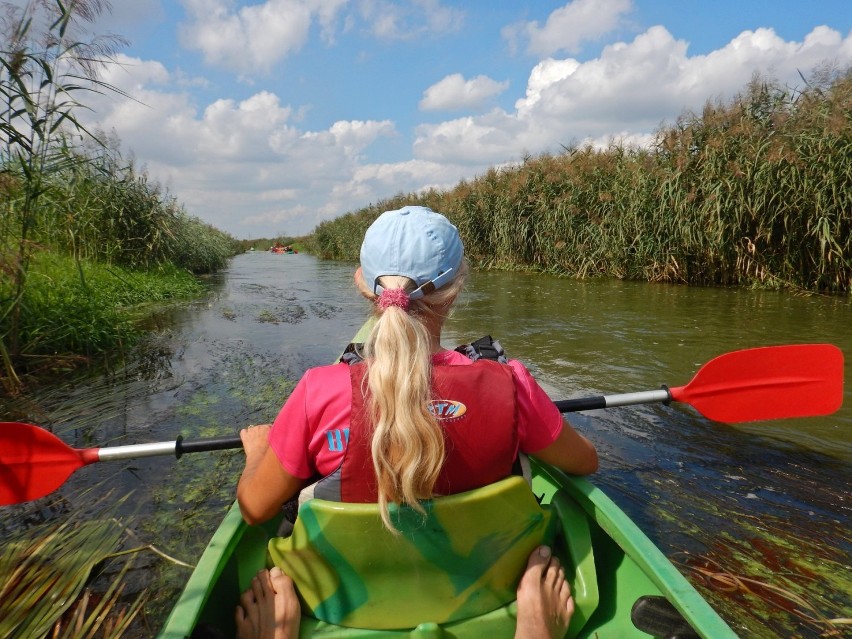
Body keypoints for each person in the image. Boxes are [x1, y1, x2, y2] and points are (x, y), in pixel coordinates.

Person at [235, 205, 598, 635]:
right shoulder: (511, 384)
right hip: (484, 594)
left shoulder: (320, 391)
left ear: (361, 285)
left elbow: (254, 508)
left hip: (338, 608)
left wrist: (258, 453)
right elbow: (583, 462)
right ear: (456, 287)